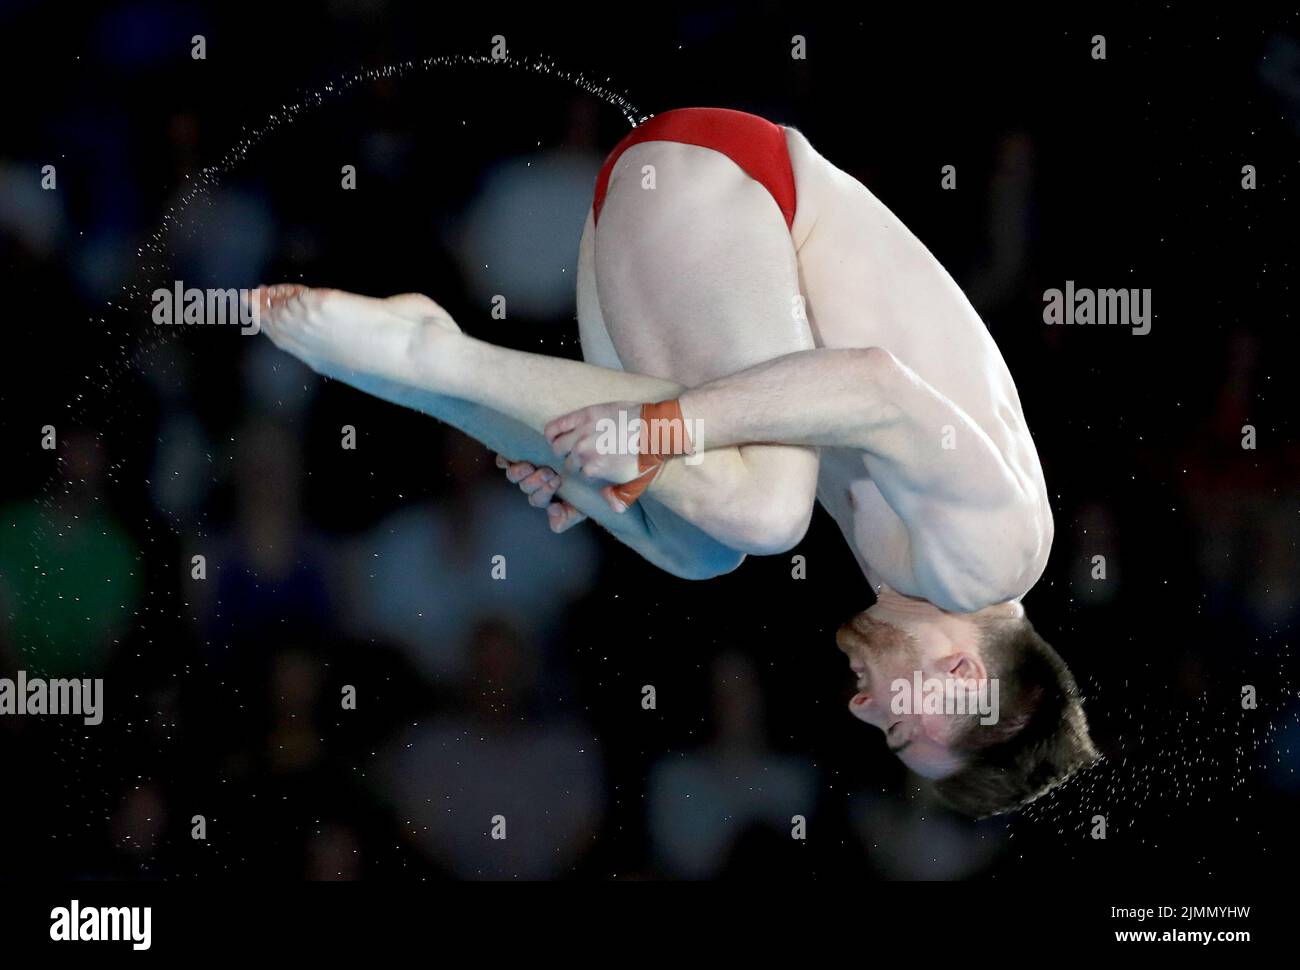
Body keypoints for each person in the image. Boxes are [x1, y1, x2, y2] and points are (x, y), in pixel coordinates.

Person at [253, 107, 1097, 816]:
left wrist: (612, 484)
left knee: (703, 549)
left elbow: (804, 408)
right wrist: (667, 428)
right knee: (766, 514)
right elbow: (873, 385)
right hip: (729, 183)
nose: (863, 708)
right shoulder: (997, 554)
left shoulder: (914, 577)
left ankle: (441, 382)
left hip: (679, 234)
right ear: (962, 675)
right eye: (902, 724)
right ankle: (432, 355)